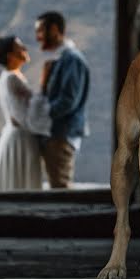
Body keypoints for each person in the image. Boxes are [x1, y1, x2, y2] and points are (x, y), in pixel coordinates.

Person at [35, 11, 90, 189]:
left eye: (41, 31)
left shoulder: (72, 60)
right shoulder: (62, 60)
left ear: (54, 29)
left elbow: (68, 101)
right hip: (56, 135)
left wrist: (39, 116)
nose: (37, 37)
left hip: (61, 136)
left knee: (61, 189)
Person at [0, 36, 43, 191]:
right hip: (21, 139)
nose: (25, 49)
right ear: (10, 55)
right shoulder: (12, 78)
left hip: (17, 137)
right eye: (20, 47)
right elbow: (22, 116)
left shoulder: (9, 77)